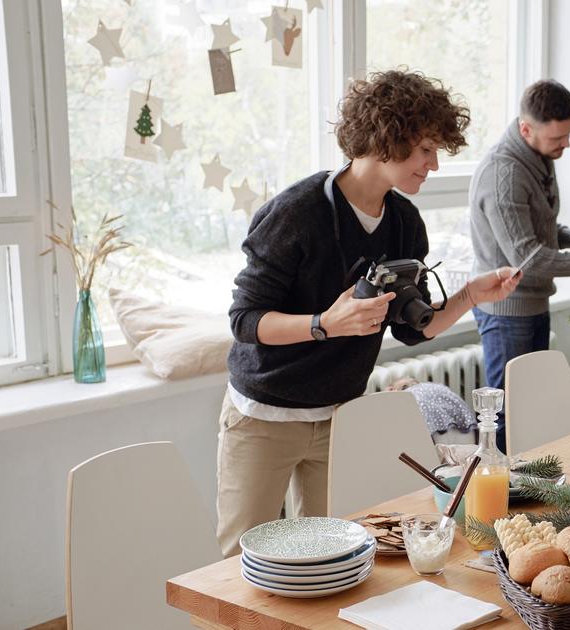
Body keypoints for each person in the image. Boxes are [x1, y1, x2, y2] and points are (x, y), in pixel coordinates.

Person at [218, 70, 521, 557]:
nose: (434, 164)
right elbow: (245, 321)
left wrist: (469, 295)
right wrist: (324, 325)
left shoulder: (403, 222)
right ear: (387, 140)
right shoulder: (296, 215)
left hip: (340, 413)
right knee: (240, 564)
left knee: (328, 554)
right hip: (265, 414)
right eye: (426, 149)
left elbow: (413, 328)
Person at [469, 79, 570, 451]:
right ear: (526, 128)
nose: (566, 144)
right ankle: (500, 500)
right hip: (507, 313)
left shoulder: (538, 155)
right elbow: (527, 257)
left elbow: (535, 225)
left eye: (568, 134)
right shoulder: (504, 175)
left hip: (531, 306)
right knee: (507, 416)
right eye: (558, 138)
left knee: (531, 409)